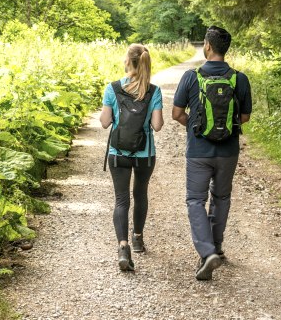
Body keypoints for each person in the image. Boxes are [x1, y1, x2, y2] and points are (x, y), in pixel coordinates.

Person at [172, 26, 252, 280]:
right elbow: (245, 117)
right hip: (228, 151)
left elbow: (176, 114)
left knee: (195, 200)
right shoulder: (240, 78)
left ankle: (207, 253)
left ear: (207, 46)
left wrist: (198, 127)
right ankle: (216, 247)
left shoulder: (191, 76)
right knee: (221, 197)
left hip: (198, 150)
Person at [100, 44, 164, 271]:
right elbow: (157, 126)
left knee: (121, 200)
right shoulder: (153, 91)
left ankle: (123, 247)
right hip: (145, 154)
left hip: (118, 153)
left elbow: (105, 122)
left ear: (127, 61)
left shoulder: (113, 88)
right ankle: (138, 238)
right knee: (140, 194)